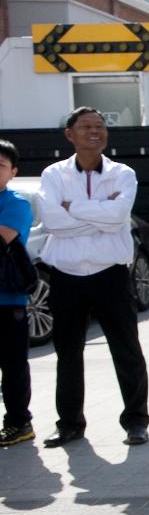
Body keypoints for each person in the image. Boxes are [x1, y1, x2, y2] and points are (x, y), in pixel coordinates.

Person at [39, 107, 149, 447]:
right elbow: (52, 222)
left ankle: (136, 421)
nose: (94, 132)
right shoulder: (53, 175)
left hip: (110, 275)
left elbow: (118, 217)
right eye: (85, 126)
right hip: (66, 274)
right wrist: (99, 211)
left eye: (100, 126)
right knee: (68, 352)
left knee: (127, 349)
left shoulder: (123, 174)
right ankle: (70, 422)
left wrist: (73, 207)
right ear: (68, 134)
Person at [0, 140, 34, 447]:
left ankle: (19, 422)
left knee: (12, 366)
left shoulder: (16, 203)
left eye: (0, 165)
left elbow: (5, 236)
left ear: (13, 172)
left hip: (8, 301)